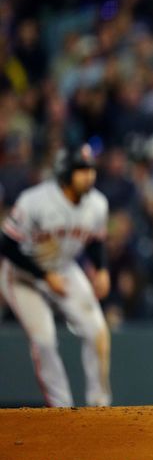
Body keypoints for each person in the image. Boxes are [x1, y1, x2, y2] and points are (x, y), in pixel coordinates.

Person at [0, 144, 112, 407]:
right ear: (65, 173)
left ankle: (100, 406)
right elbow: (6, 244)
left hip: (63, 267)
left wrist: (102, 269)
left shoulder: (97, 204)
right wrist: (42, 275)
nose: (89, 176)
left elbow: (96, 241)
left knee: (97, 331)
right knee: (44, 339)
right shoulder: (35, 200)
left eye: (90, 170)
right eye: (81, 170)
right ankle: (60, 409)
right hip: (22, 275)